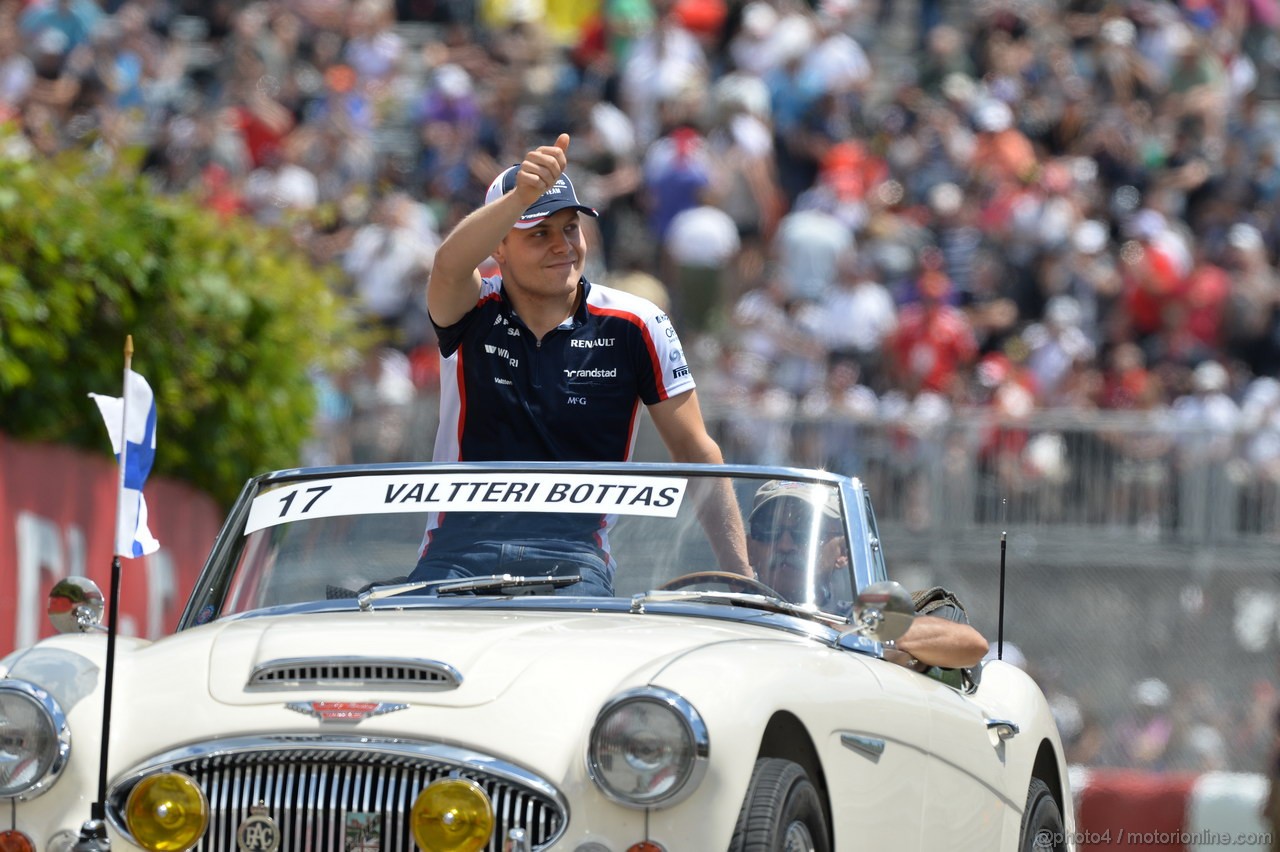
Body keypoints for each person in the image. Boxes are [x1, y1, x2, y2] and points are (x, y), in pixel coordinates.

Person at [412, 133, 750, 592]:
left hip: (573, 557)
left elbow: (696, 451)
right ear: (499, 248)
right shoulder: (472, 307)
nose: (563, 246)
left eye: (570, 227)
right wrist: (521, 198)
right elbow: (449, 265)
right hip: (456, 552)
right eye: (539, 233)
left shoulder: (638, 323)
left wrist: (744, 577)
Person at [744, 480, 988, 672]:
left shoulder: (855, 620)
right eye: (769, 530)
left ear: (842, 552)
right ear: (749, 548)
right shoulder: (726, 611)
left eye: (805, 531)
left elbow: (972, 645)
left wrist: (855, 633)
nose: (785, 544)